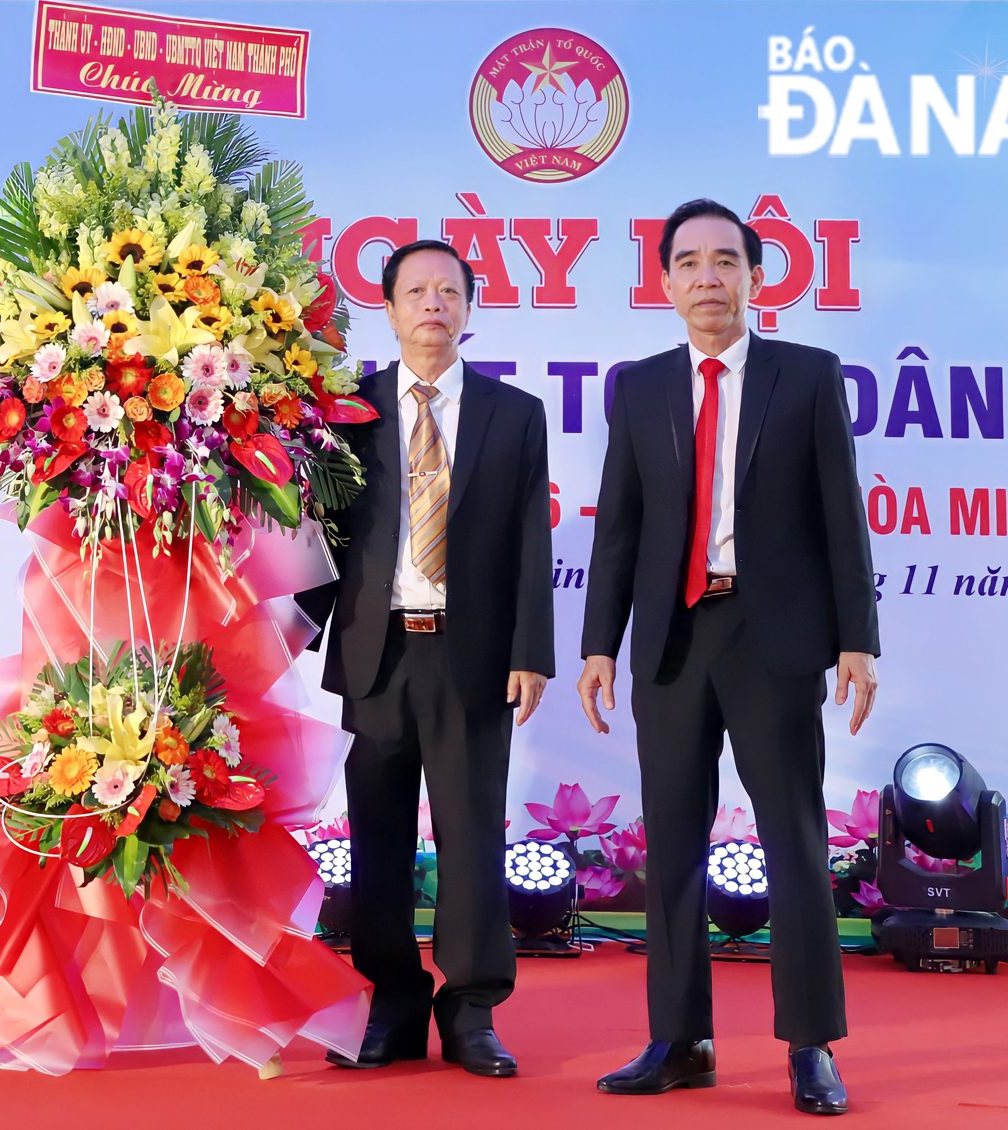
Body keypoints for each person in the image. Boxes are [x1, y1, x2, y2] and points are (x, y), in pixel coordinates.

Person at [578, 199, 879, 1116]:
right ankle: (680, 1039)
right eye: (689, 263)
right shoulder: (640, 386)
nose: (707, 277)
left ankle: (810, 1046)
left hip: (773, 633)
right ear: (664, 281)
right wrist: (598, 644)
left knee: (792, 841)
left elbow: (842, 516)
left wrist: (857, 638)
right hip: (672, 638)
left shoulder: (807, 375)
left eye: (725, 261)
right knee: (670, 843)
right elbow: (619, 529)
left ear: (755, 276)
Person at [296, 239, 554, 1078]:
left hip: (473, 656)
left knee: (473, 837)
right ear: (391, 306)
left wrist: (532, 652)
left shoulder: (514, 415)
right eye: (417, 291)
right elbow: (324, 540)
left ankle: (472, 1010)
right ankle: (393, 1006)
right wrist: (288, 633)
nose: (433, 305)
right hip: (376, 653)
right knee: (375, 841)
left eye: (450, 291)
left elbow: (528, 541)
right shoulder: (350, 411)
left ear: (470, 309)